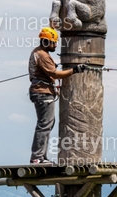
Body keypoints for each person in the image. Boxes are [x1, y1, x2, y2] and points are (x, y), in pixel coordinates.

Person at [28, 27, 80, 164]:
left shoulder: (39, 53)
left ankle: (40, 156)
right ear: (46, 42)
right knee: (45, 124)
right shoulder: (43, 55)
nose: (56, 45)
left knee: (47, 124)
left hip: (41, 91)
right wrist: (74, 70)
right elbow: (54, 74)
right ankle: (37, 157)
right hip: (42, 92)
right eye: (53, 42)